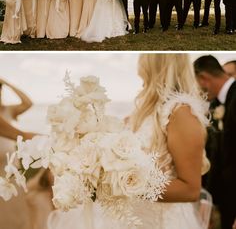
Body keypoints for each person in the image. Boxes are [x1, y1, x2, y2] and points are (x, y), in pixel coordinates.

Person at [48, 54, 210, 229]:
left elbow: (190, 190)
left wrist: (118, 183)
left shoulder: (181, 113)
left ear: (156, 64)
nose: (140, 70)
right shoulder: (143, 111)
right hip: (128, 219)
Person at [194, 55, 236, 229]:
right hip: (226, 197)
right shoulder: (218, 103)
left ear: (204, 78)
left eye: (197, 85)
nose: (199, 91)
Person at [0, 78, 34, 229]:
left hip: (10, 169)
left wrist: (6, 83)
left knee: (15, 209)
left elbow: (27, 103)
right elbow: (23, 135)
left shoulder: (7, 110)